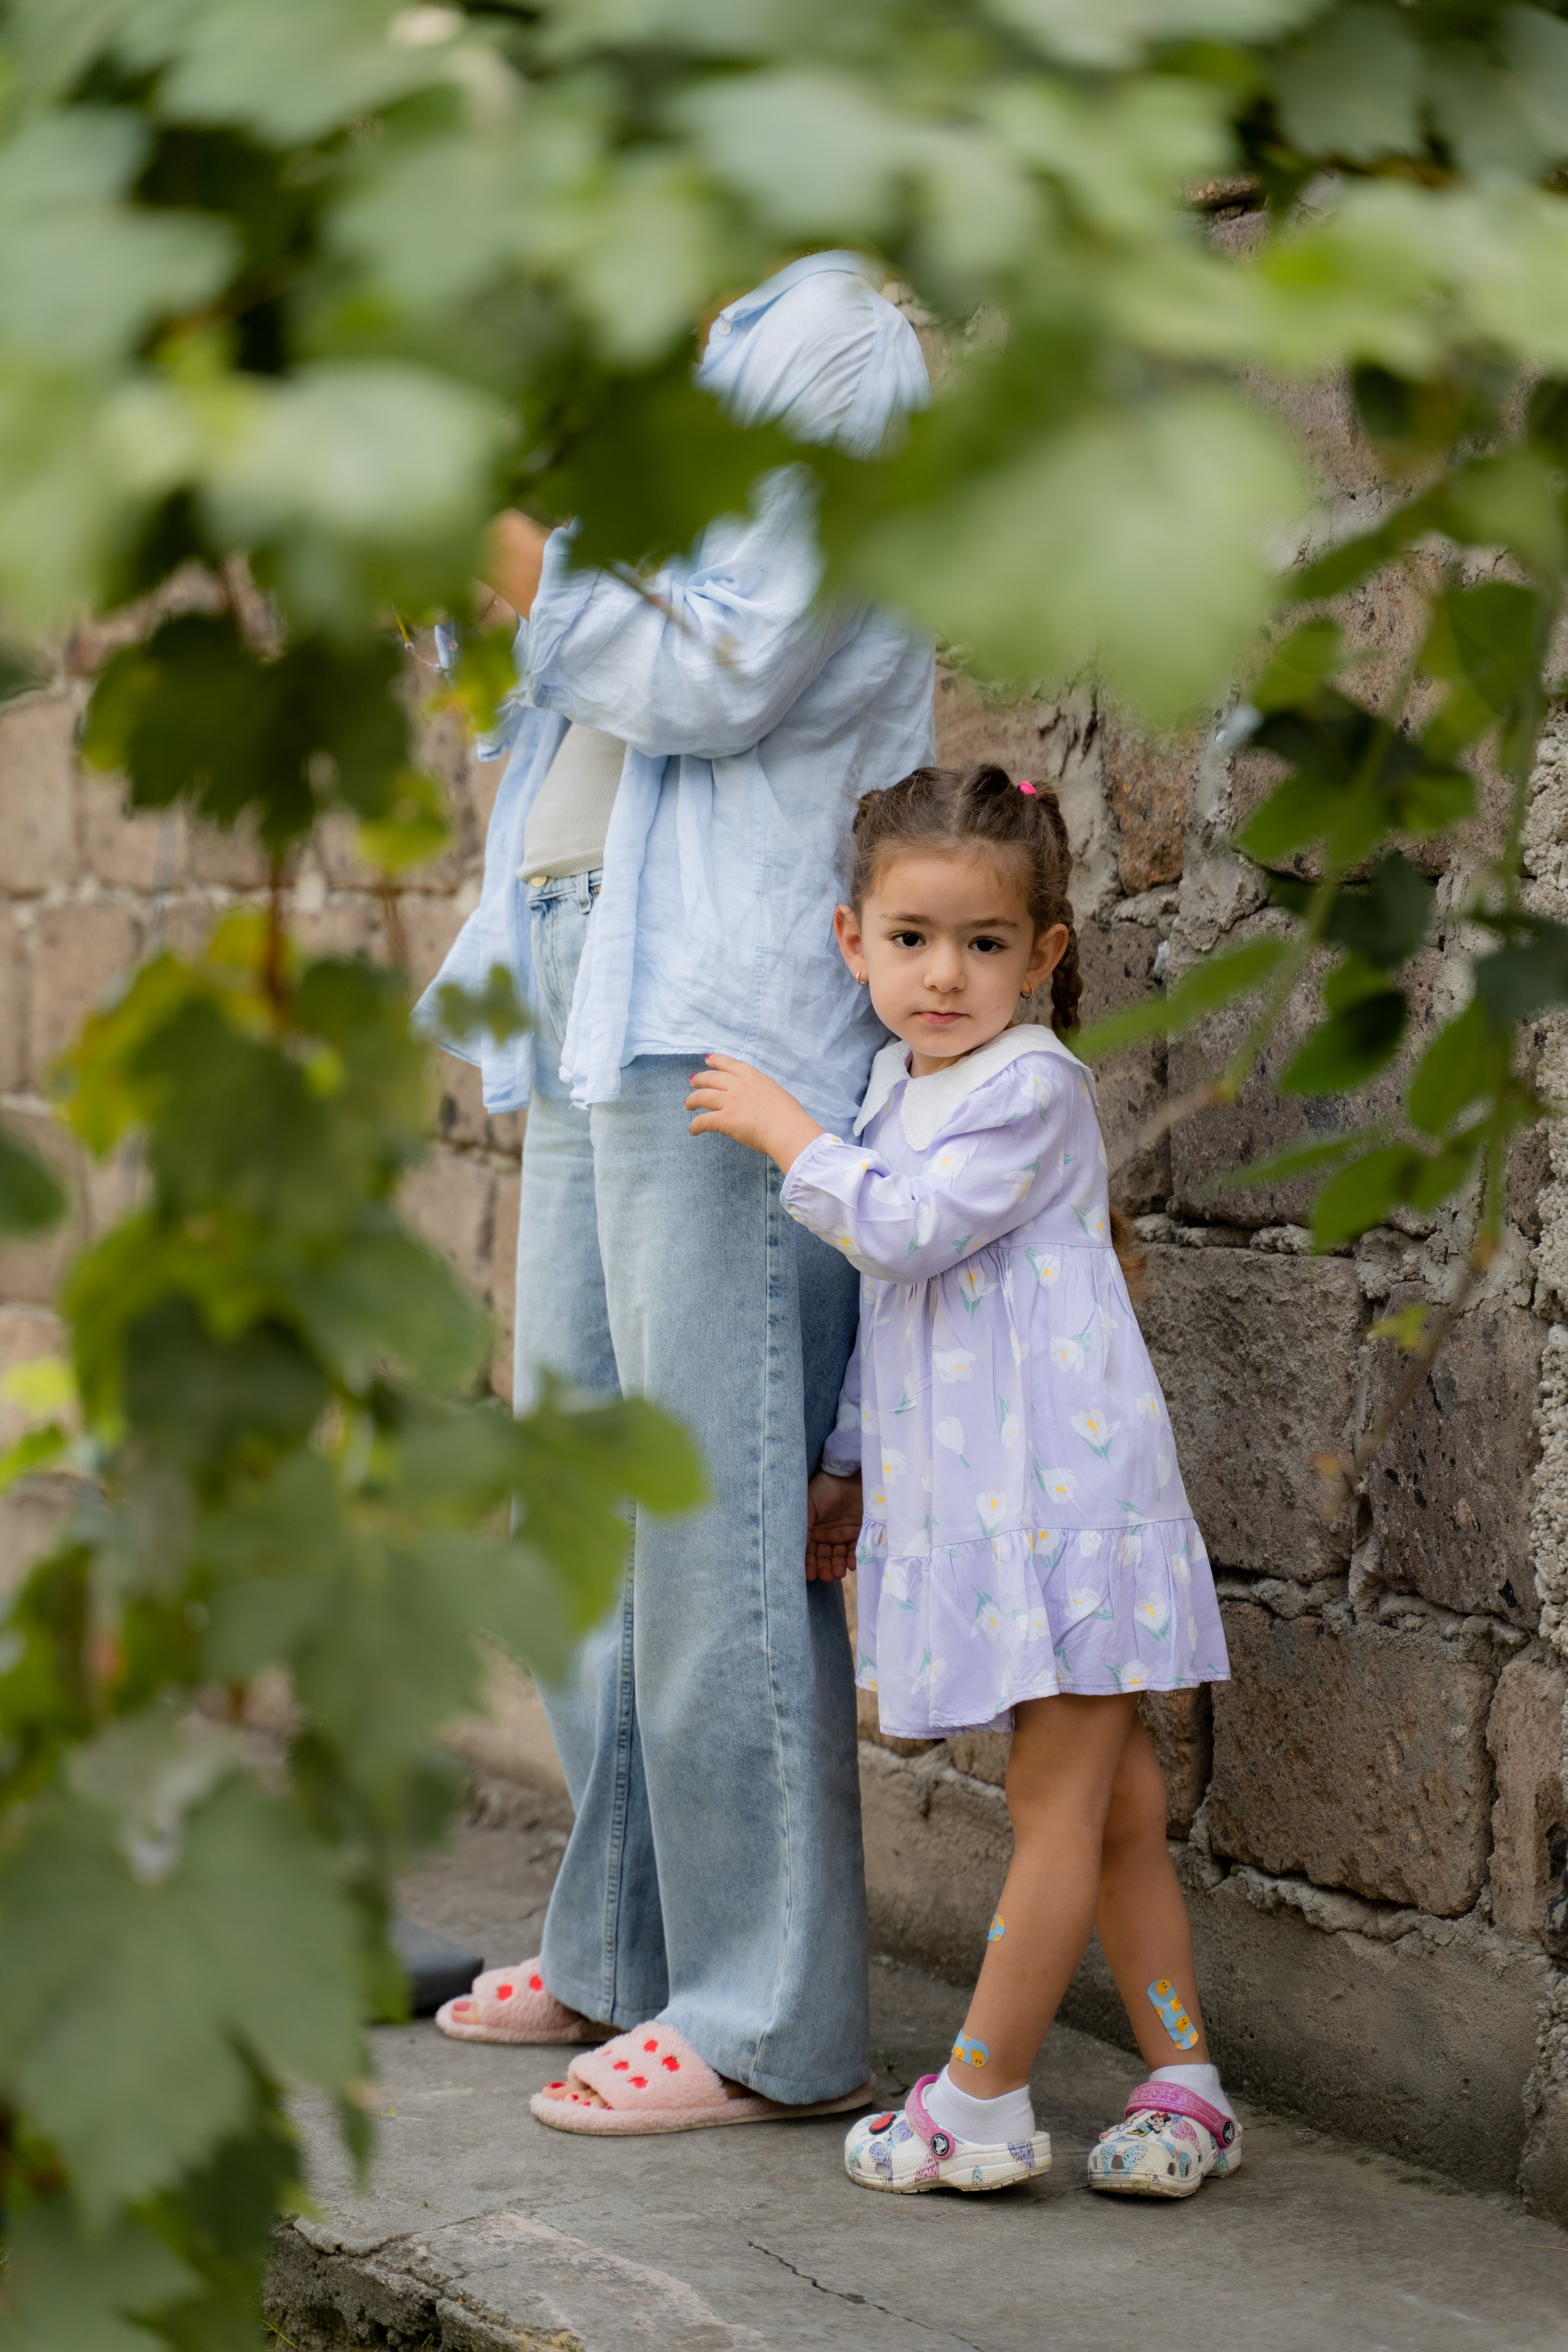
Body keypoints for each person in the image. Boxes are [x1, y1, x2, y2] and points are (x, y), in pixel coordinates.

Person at [419, 252, 935, 2131]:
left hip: (723, 998)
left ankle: (764, 2017)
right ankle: (624, 1951)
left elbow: (726, 667)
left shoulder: (835, 347)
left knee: (712, 1516)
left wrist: (496, 538)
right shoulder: (668, 344)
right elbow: (547, 692)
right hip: (589, 965)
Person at [684, 762, 1238, 2197]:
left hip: (1067, 1503)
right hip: (988, 1502)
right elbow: (897, 1319)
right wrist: (849, 1469)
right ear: (850, 940)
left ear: (1043, 957)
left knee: (1053, 1809)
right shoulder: (893, 1082)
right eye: (912, 940)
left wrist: (783, 1134)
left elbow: (911, 1235)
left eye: (984, 945)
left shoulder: (1030, 1087)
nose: (944, 976)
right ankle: (1186, 2084)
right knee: (1110, 1810)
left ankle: (978, 2100)